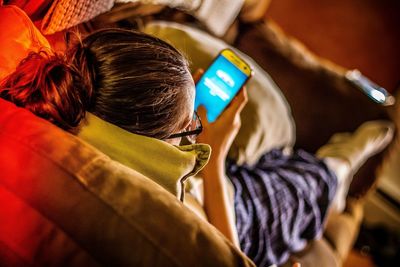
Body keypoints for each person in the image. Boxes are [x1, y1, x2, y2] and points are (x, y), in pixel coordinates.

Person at [0, 29, 393, 266]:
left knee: (272, 162)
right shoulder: (151, 210)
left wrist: (193, 137)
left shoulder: (72, 106)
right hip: (238, 217)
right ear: (148, 138)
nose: (194, 131)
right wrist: (216, 153)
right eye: (187, 128)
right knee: (307, 186)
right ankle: (340, 166)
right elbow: (230, 256)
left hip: (206, 186)